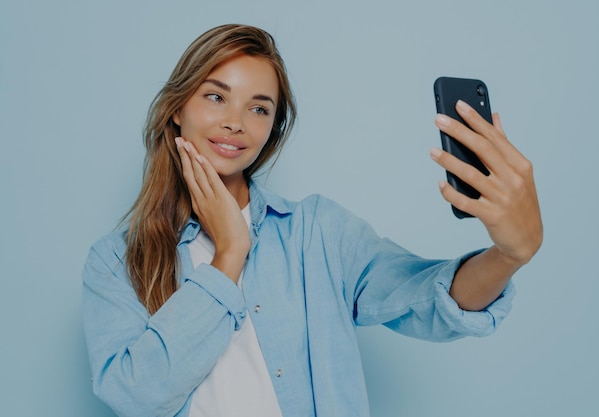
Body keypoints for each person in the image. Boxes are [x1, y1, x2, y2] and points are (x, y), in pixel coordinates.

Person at [82, 24, 542, 417]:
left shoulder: (317, 231)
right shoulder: (114, 261)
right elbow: (133, 394)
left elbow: (424, 301)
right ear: (178, 108)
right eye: (215, 96)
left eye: (259, 108)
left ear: (272, 128)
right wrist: (228, 254)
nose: (236, 122)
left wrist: (508, 257)